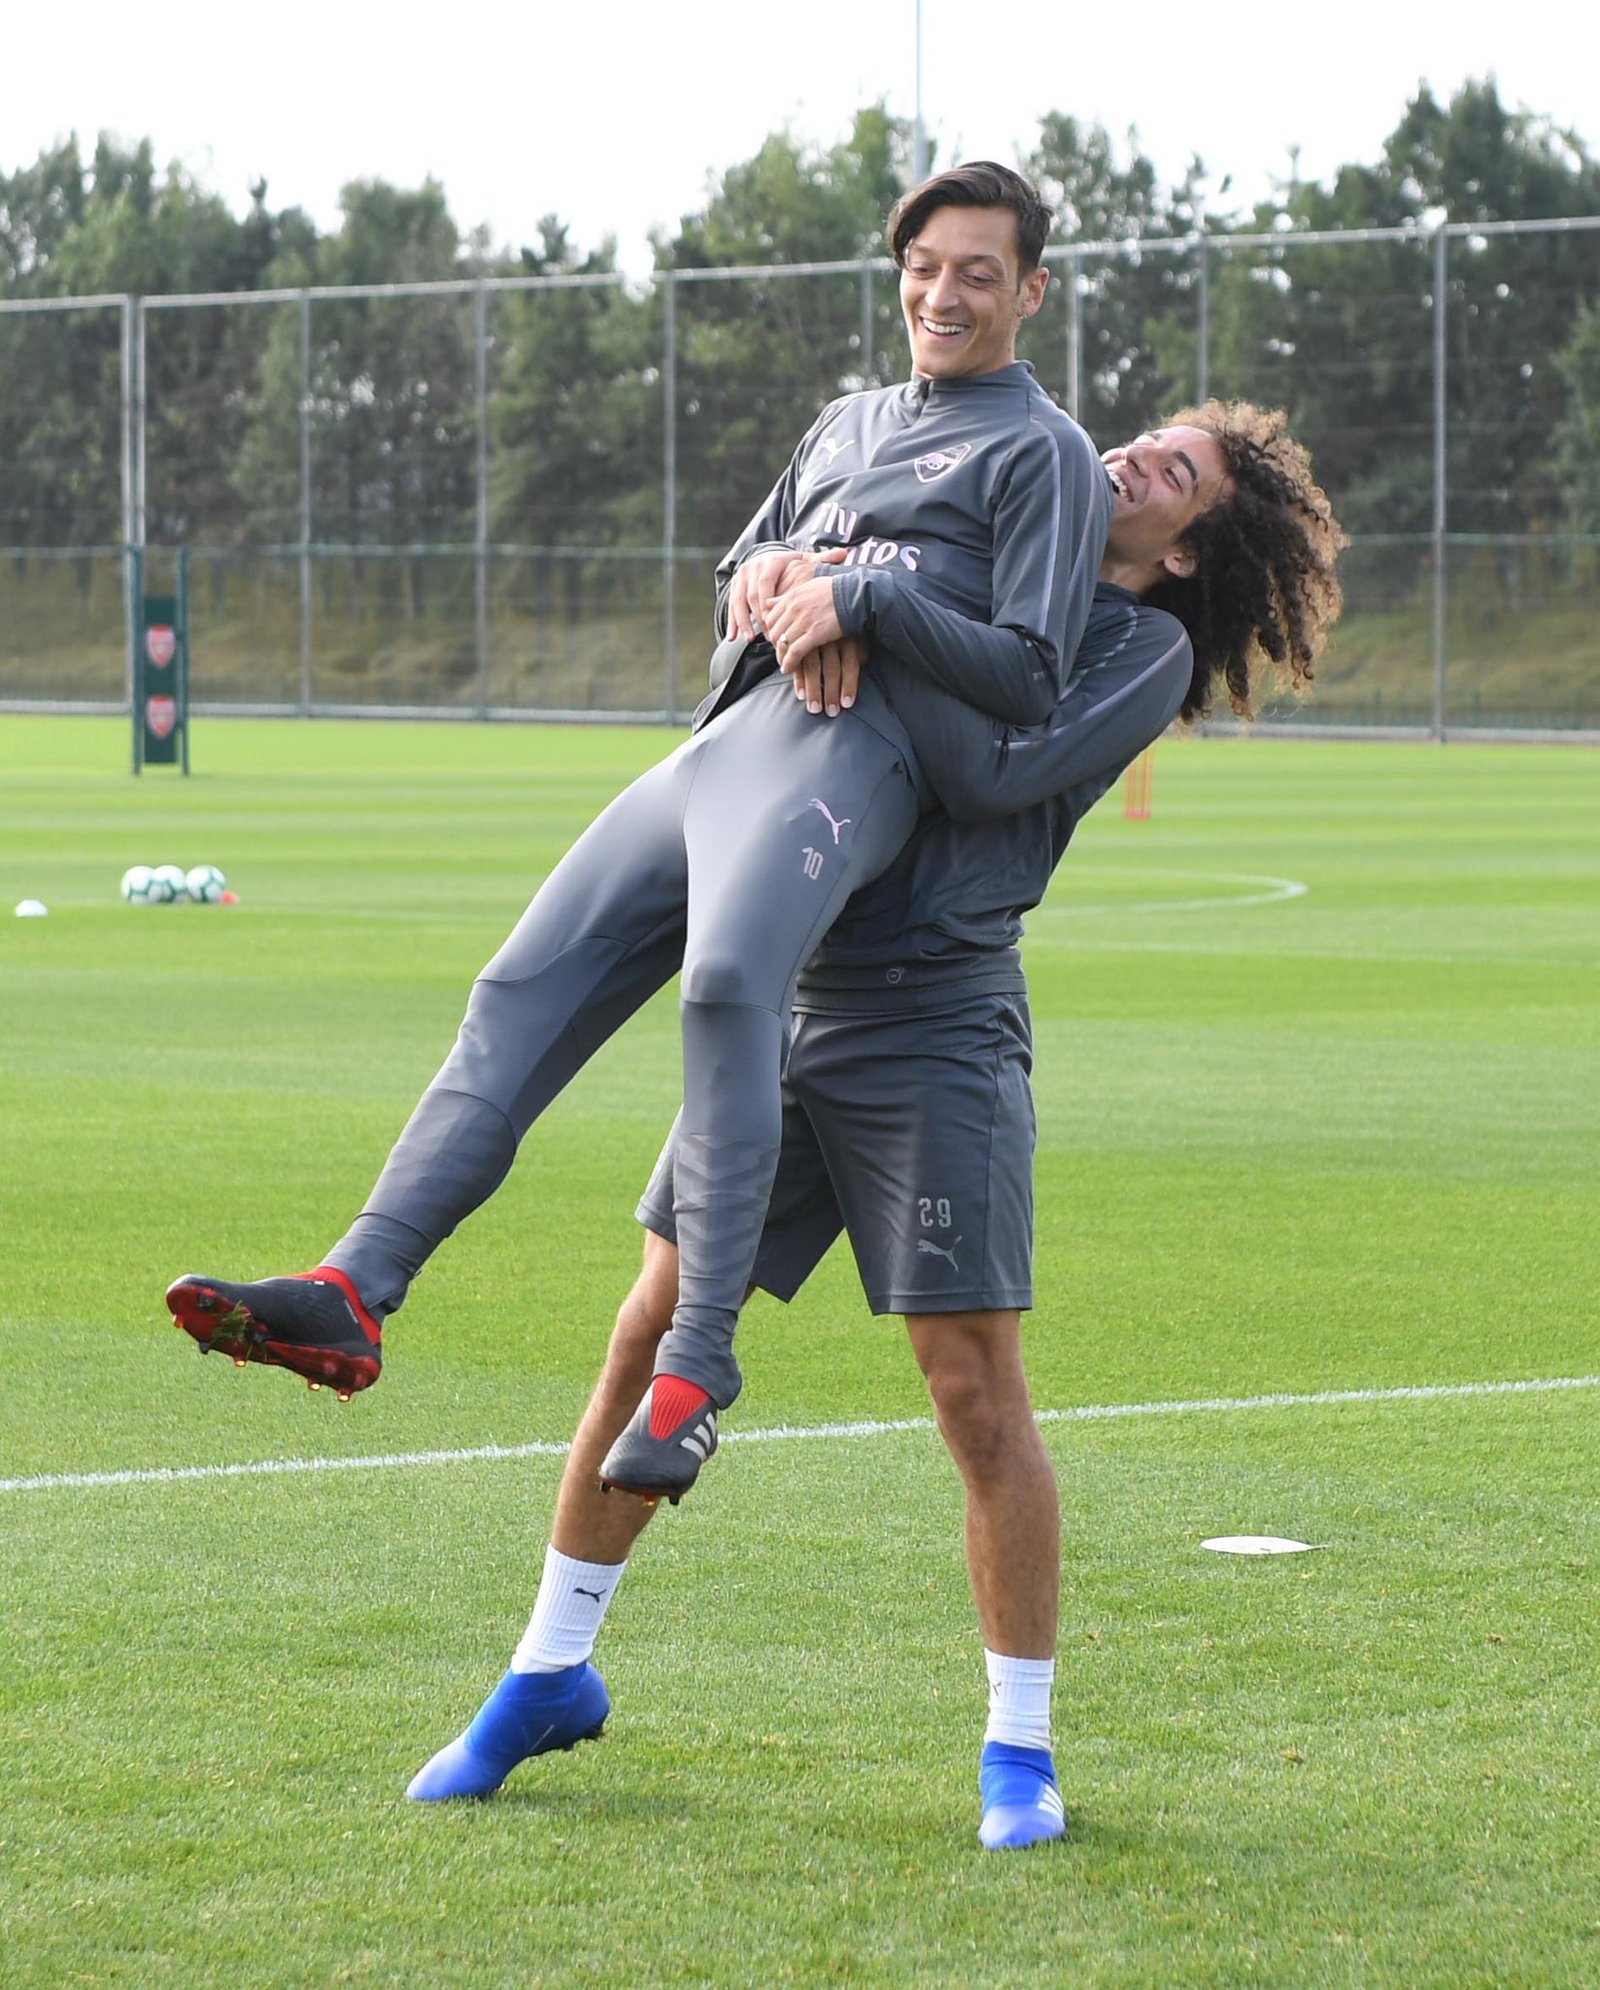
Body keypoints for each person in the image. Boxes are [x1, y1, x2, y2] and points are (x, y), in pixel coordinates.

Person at [400, 401, 1349, 1851]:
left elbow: (984, 769)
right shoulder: (970, 549)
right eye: (1142, 439)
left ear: (1181, 554)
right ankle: (546, 1670)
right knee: (648, 1322)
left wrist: (869, 607)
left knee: (970, 1387)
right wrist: (796, 591)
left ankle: (1018, 1753)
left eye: (1175, 475)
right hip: (791, 990)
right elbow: (791, 595)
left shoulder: (1134, 650)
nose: (1131, 462)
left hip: (934, 1020)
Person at [167, 161, 1114, 1503]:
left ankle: (696, 1370)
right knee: (518, 986)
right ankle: (354, 1287)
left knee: (729, 990)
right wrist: (776, 576)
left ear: (1029, 289)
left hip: (850, 769)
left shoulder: (1046, 453)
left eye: (976, 270)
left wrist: (867, 602)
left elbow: (1029, 673)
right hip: (721, 755)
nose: (942, 292)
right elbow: (738, 575)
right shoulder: (843, 423)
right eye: (924, 265)